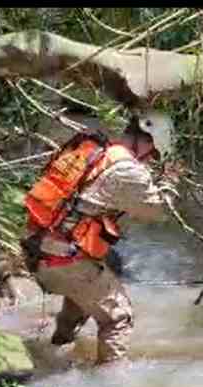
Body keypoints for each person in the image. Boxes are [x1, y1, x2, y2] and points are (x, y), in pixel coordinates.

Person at [20, 109, 180, 365]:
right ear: (147, 141)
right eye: (153, 154)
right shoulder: (128, 169)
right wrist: (170, 182)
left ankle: (56, 351)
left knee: (82, 297)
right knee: (118, 318)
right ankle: (111, 382)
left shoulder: (96, 150)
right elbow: (157, 211)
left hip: (36, 248)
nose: (150, 161)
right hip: (66, 259)